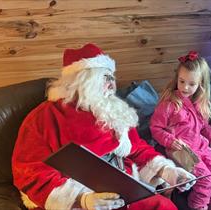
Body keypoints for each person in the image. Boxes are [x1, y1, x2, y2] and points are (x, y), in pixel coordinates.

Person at [12, 43, 196, 210]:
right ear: (82, 80)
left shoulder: (113, 109)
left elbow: (136, 148)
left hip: (123, 191)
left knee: (163, 206)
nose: (112, 84)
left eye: (112, 77)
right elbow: (30, 170)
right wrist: (81, 199)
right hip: (77, 198)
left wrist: (168, 171)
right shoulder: (45, 117)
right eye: (104, 77)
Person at [150, 51, 211, 210]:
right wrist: (169, 141)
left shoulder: (199, 102)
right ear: (177, 79)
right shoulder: (170, 104)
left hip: (201, 146)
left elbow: (204, 125)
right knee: (207, 184)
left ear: (200, 83)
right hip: (182, 150)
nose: (185, 87)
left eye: (191, 84)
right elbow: (155, 128)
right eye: (182, 81)